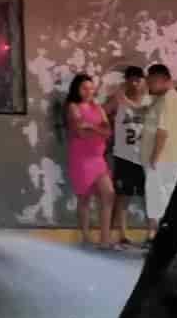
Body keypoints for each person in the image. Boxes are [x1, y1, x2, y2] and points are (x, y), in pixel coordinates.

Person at [64, 73, 112, 248]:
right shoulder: (73, 106)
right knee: (84, 198)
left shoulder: (98, 108)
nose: (89, 91)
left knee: (108, 194)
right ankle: (85, 237)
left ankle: (104, 239)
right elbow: (80, 132)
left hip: (98, 158)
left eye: (91, 88)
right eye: (85, 88)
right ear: (77, 89)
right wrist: (97, 129)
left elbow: (108, 132)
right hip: (81, 159)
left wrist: (90, 126)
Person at [106, 65, 149, 249]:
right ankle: (122, 234)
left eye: (138, 79)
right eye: (131, 79)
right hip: (124, 155)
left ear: (144, 81)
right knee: (122, 196)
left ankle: (151, 234)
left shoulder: (150, 101)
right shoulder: (118, 101)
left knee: (150, 197)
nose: (134, 83)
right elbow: (102, 112)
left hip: (145, 156)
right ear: (126, 81)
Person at [144, 63, 177, 239]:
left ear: (161, 80)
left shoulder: (169, 99)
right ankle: (157, 237)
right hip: (165, 159)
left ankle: (158, 238)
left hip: (163, 160)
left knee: (159, 202)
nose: (148, 85)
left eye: (151, 81)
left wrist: (154, 157)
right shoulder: (162, 99)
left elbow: (163, 131)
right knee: (160, 201)